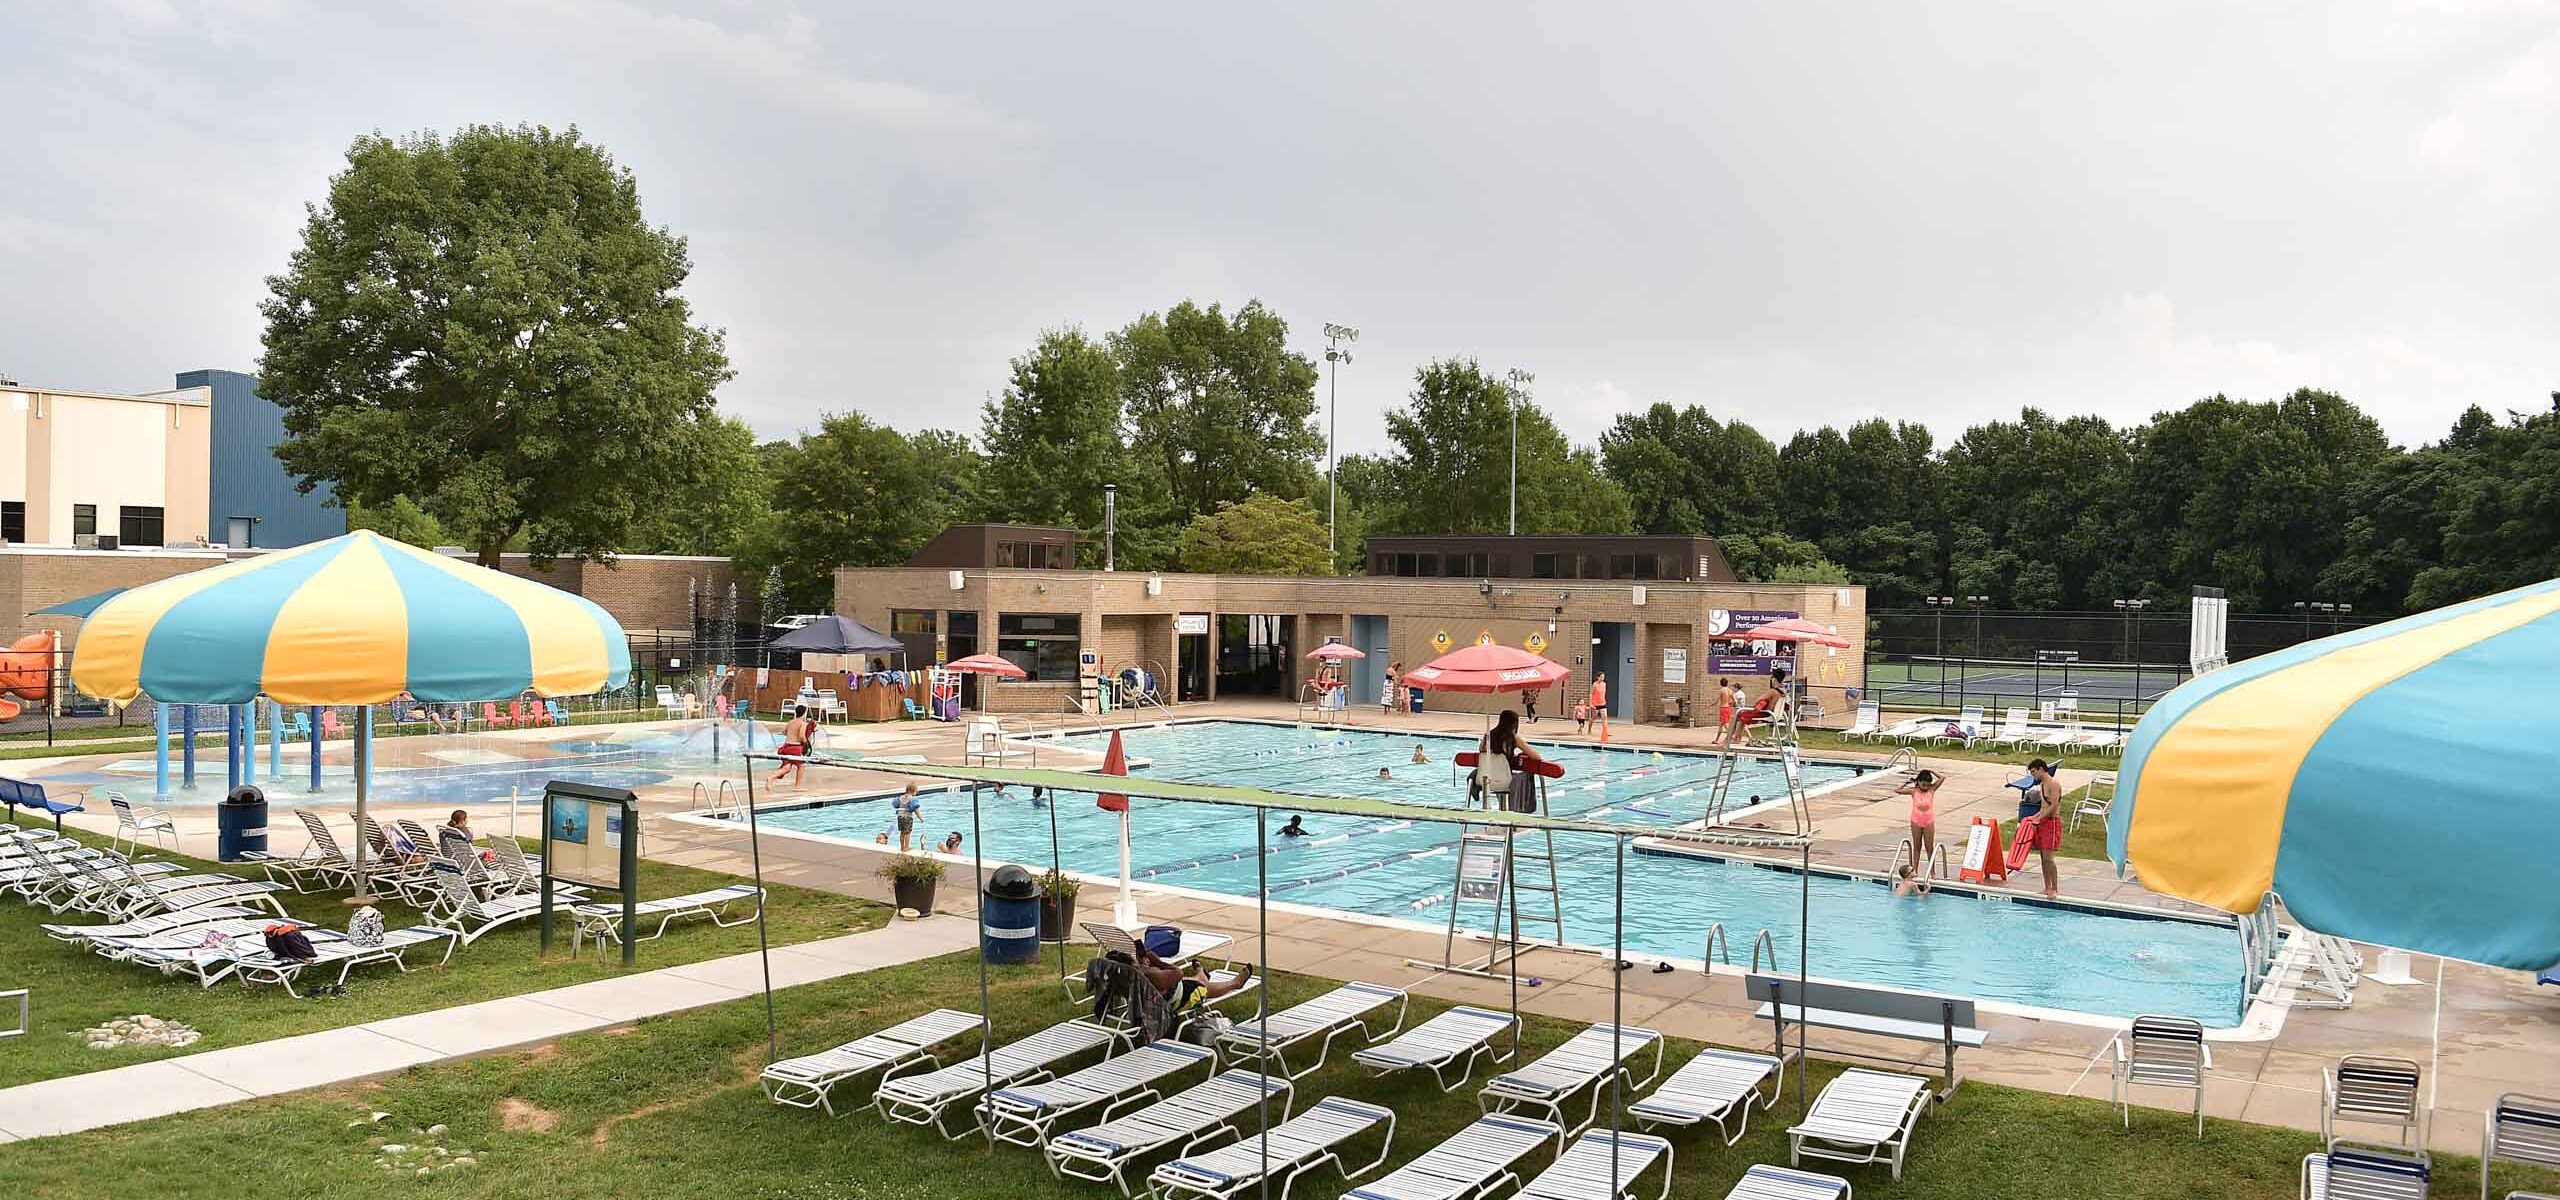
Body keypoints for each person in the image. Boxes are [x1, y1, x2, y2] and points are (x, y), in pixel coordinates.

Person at [1478, 709, 1546, 813]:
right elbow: (1536, 757)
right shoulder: (1513, 738)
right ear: (1515, 724)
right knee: (1525, 775)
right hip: (1504, 780)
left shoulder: (1487, 736)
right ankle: (1520, 809)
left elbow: (1481, 751)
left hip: (1484, 779)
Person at [2023, 758, 2064, 899]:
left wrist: (2039, 819)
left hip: (2052, 823)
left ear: (2041, 769)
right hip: (2043, 822)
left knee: (2049, 858)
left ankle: (2055, 888)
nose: (2033, 775)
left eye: (2033, 772)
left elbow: (2053, 806)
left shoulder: (2053, 784)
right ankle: (2047, 887)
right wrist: (2032, 818)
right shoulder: (2041, 785)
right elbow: (2043, 808)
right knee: (2042, 858)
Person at [1895, 769, 1941, 876]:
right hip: (1916, 820)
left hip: (1928, 821)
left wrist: (1931, 771)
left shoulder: (1932, 789)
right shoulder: (1913, 791)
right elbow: (1897, 790)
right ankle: (1915, 870)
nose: (1925, 787)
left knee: (1930, 847)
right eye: (1923, 785)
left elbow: (1942, 778)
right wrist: (1906, 783)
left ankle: (1932, 872)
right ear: (1918, 782)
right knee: (1917, 846)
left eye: (1927, 785)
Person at [770, 706, 816, 787]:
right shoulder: (803, 723)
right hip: (794, 748)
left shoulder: (790, 722)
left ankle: (771, 777)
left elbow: (784, 732)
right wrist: (806, 744)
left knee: (786, 768)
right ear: (804, 713)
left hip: (785, 747)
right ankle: (797, 786)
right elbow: (802, 736)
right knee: (801, 766)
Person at [893, 782, 923, 852]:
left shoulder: (900, 798)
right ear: (913, 791)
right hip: (907, 818)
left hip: (900, 817)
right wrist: (921, 818)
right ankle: (906, 847)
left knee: (902, 832)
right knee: (907, 833)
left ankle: (902, 847)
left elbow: (896, 806)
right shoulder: (912, 799)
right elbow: (916, 811)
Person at [1587, 674, 1610, 740]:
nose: (1602, 678)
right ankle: (1589, 729)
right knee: (1594, 717)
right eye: (1601, 677)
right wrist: (1591, 704)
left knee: (1604, 717)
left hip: (1602, 703)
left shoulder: (1604, 684)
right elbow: (1591, 694)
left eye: (1603, 677)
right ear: (1597, 677)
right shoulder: (1595, 684)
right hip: (1595, 704)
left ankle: (1605, 731)